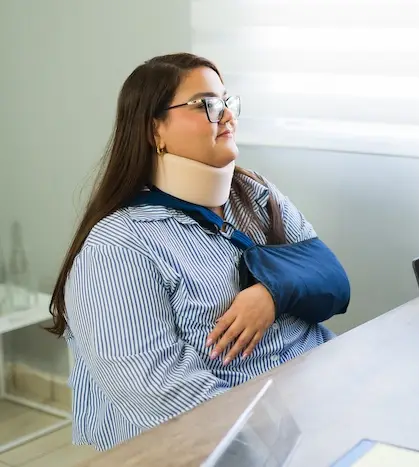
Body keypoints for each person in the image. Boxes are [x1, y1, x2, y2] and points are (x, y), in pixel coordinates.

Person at [46, 53, 351, 451]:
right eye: (206, 105)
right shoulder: (118, 246)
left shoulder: (254, 195)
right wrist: (276, 439)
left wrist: (271, 293)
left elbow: (334, 281)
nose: (226, 116)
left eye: (227, 102)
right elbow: (159, 391)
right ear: (155, 129)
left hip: (324, 400)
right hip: (246, 443)